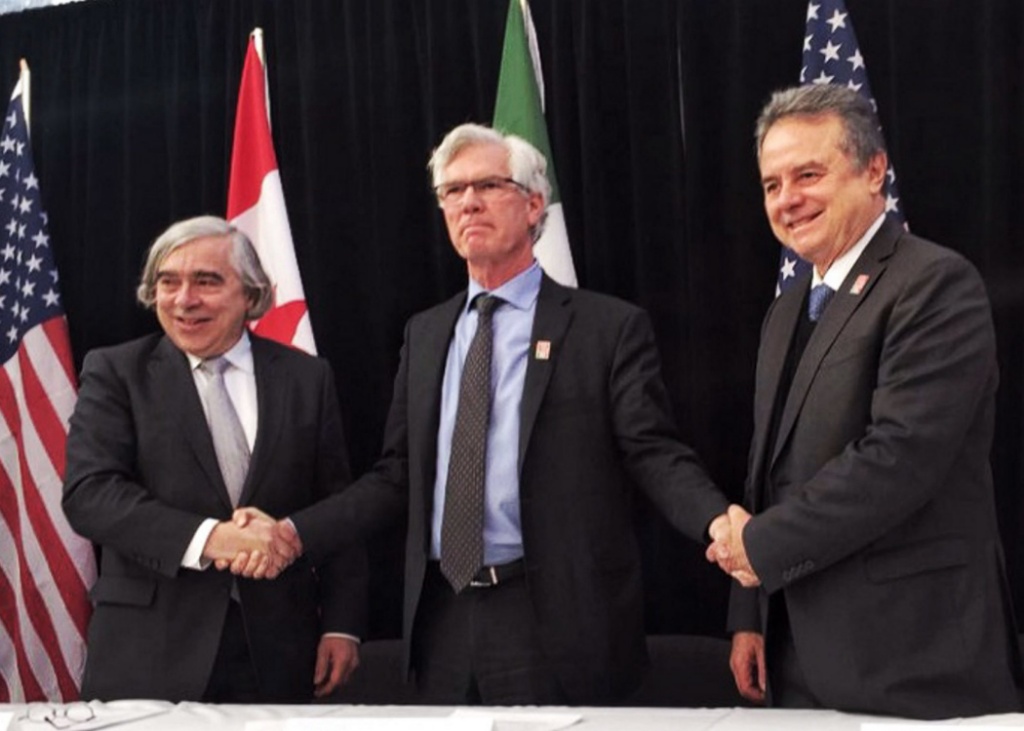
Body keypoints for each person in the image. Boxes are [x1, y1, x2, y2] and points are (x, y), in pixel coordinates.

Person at [238, 123, 730, 705]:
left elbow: (652, 453)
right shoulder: (425, 333)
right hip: (443, 619)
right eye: (453, 190)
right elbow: (395, 476)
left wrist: (717, 523)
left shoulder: (606, 328)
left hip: (552, 619)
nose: (467, 202)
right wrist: (294, 532)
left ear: (534, 205)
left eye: (488, 186)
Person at [706, 84, 1024, 718]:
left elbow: (900, 458)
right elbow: (766, 470)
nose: (787, 199)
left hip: (911, 657)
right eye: (772, 184)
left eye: (808, 175)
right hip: (794, 654)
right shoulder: (786, 310)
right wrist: (749, 612)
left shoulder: (933, 283)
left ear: (874, 171)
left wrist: (760, 546)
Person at [62, 216, 367, 703]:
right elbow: (90, 494)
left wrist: (341, 625)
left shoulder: (306, 378)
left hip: (278, 653)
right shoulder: (116, 373)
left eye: (206, 281)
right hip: (150, 652)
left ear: (251, 294)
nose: (184, 300)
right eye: (168, 283)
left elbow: (337, 508)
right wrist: (212, 539)